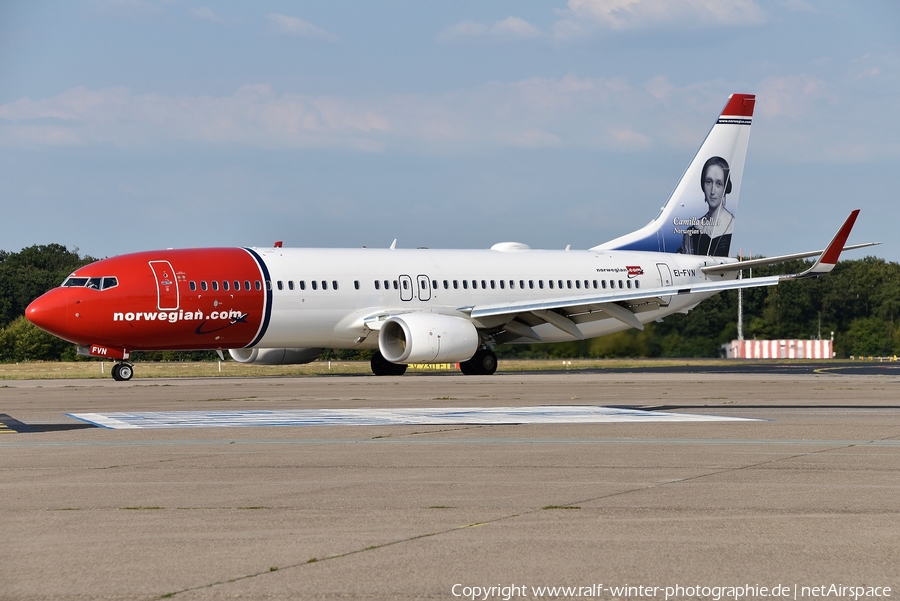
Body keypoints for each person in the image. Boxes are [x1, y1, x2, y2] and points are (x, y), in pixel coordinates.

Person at [678, 156, 735, 256]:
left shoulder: (733, 227)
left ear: (725, 188)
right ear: (703, 185)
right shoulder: (692, 231)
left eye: (719, 184)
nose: (712, 191)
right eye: (709, 182)